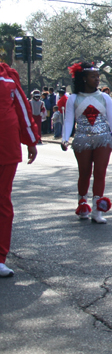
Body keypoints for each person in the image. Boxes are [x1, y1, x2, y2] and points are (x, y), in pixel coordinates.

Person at [61, 62, 112, 224]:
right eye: (93, 77)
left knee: (100, 173)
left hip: (103, 139)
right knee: (84, 173)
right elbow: (69, 120)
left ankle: (97, 210)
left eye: (98, 76)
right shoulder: (73, 98)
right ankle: (82, 204)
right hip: (82, 139)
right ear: (84, 78)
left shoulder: (104, 97)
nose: (97, 79)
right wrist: (65, 139)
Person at [0, 62, 39, 277]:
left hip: (5, 147)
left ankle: (0, 257)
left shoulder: (8, 76)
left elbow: (22, 110)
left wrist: (31, 140)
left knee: (2, 200)